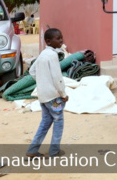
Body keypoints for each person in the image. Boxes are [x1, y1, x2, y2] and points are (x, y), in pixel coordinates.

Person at [27, 28, 68, 158]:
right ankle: (54, 151)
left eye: (61, 38)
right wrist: (63, 94)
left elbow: (32, 71)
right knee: (58, 121)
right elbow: (57, 78)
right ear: (49, 41)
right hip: (54, 97)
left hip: (43, 96)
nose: (61, 40)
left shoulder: (43, 54)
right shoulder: (52, 55)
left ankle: (32, 150)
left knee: (45, 122)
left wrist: (42, 82)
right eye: (58, 38)